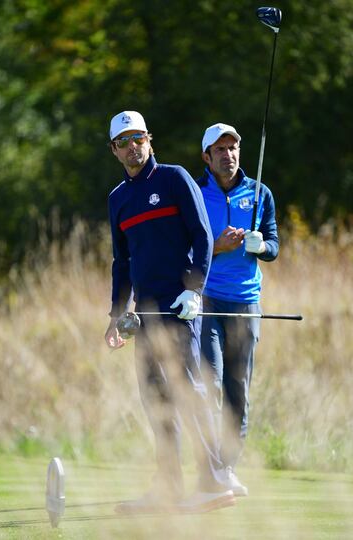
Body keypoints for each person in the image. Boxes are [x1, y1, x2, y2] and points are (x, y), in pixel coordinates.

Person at [105, 111, 237, 514]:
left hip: (180, 306)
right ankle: (169, 487)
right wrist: (115, 315)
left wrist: (195, 291)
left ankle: (213, 481)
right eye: (124, 141)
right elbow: (122, 262)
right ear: (114, 149)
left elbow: (201, 235)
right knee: (156, 399)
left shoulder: (175, 178)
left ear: (149, 139)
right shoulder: (117, 199)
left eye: (138, 138)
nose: (133, 146)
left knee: (186, 389)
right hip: (144, 315)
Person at [196, 122, 279, 496]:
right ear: (207, 157)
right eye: (220, 150)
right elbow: (187, 253)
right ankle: (211, 470)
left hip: (246, 302)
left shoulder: (260, 193)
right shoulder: (195, 194)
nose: (228, 155)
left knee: (237, 390)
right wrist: (217, 247)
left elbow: (275, 245)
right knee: (208, 386)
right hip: (208, 301)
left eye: (233, 149)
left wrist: (262, 247)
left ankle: (226, 468)